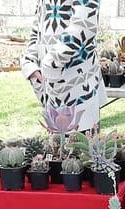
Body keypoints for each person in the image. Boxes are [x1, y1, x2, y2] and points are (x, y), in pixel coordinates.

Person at [21, 0, 107, 132]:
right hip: (50, 88)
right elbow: (38, 25)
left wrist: (50, 64)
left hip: (79, 84)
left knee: (82, 142)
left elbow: (85, 26)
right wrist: (29, 63)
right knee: (58, 143)